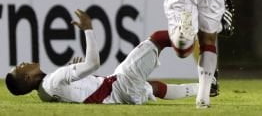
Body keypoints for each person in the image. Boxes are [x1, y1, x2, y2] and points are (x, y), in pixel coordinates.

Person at [5, 9, 198, 104]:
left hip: (119, 95)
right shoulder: (53, 80)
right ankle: (193, 32)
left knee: (153, 87)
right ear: (28, 78)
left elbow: (75, 90)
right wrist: (88, 30)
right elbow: (93, 63)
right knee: (157, 39)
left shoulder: (44, 94)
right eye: (21, 67)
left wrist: (75, 73)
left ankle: (205, 87)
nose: (23, 63)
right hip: (118, 85)